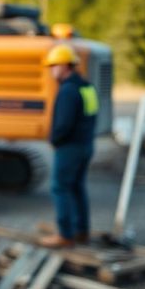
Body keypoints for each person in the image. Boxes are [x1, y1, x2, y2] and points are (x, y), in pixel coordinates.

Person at [40, 44, 98, 249]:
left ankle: (65, 235)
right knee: (77, 187)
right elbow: (91, 117)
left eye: (53, 66)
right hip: (86, 145)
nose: (51, 70)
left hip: (70, 148)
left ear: (65, 65)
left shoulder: (67, 90)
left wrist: (54, 140)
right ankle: (82, 230)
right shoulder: (87, 87)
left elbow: (63, 124)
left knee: (60, 188)